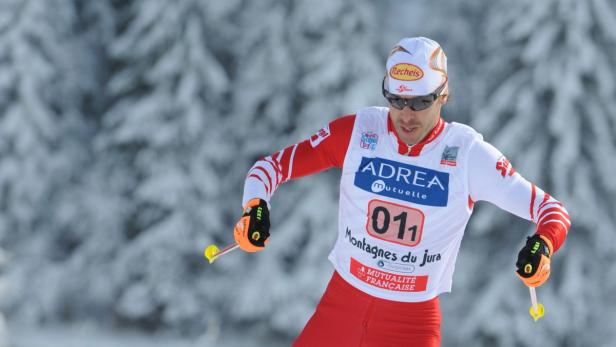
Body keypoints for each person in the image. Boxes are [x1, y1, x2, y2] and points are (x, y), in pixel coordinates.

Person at [232, 37, 570, 347]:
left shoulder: (467, 154)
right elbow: (271, 167)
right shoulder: (358, 132)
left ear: (444, 95)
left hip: (411, 324)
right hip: (341, 308)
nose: (406, 116)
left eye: (421, 102)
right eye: (397, 100)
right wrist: (254, 207)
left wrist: (543, 245)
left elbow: (552, 211)